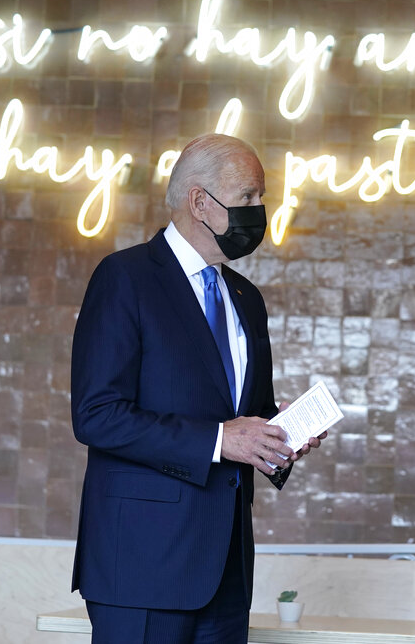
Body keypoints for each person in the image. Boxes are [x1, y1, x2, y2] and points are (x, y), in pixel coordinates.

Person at [69, 133, 324, 643]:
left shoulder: (246, 298)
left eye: (261, 196)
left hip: (227, 571)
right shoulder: (125, 278)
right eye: (249, 196)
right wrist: (219, 440)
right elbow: (96, 414)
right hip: (142, 566)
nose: (260, 209)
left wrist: (280, 435)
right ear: (200, 201)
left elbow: (243, 416)